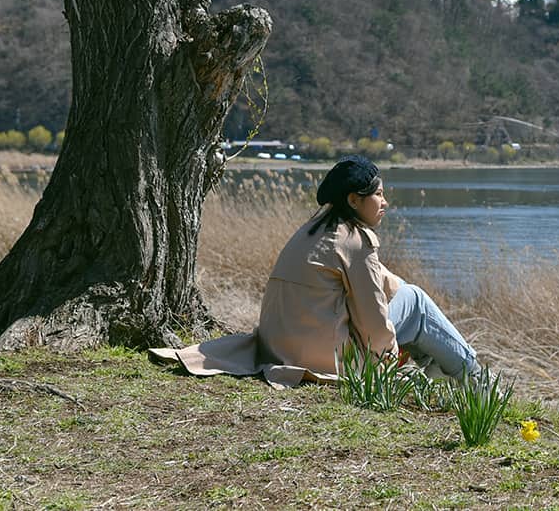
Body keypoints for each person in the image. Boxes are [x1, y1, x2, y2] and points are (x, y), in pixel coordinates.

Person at [151, 155, 479, 388]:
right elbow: (374, 326)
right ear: (354, 200)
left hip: (280, 350)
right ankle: (476, 378)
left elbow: (381, 280)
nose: (385, 202)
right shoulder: (356, 241)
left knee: (404, 292)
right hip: (328, 359)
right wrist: (388, 362)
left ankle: (437, 367)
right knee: (416, 300)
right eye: (378, 194)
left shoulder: (314, 231)